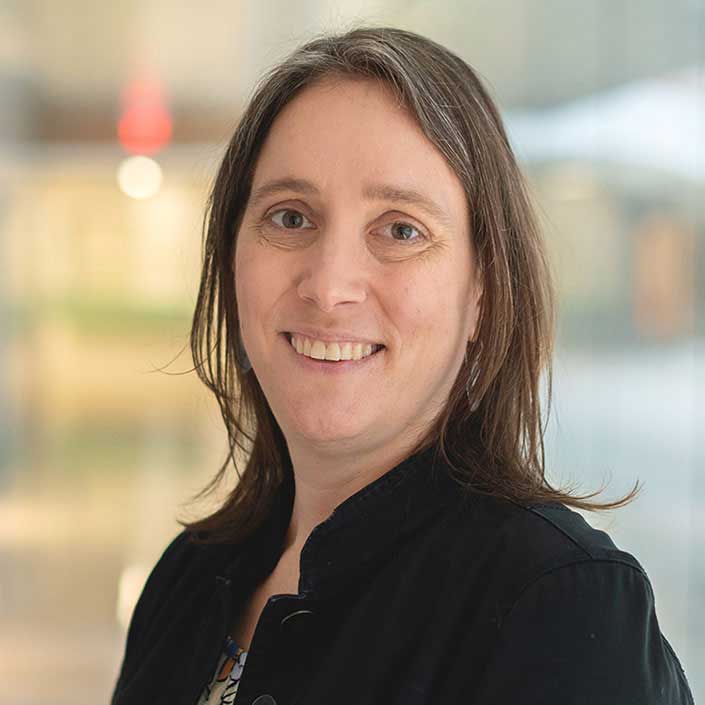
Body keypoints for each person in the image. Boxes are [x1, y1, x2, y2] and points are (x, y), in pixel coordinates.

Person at [110, 26, 695, 705]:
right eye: (290, 217)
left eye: (399, 229)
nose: (328, 286)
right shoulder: (189, 576)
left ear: (482, 290)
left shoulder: (560, 602)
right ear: (230, 255)